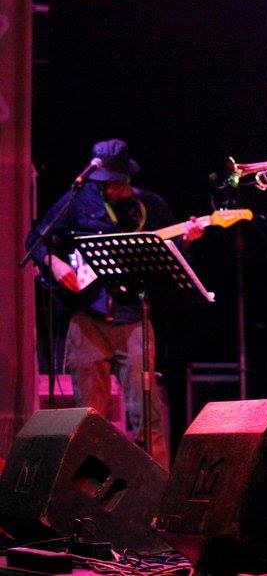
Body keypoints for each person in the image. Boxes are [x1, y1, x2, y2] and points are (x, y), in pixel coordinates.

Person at [25, 139, 202, 468]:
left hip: (133, 319)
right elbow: (36, 238)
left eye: (115, 184)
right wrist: (55, 264)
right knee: (87, 420)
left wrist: (187, 241)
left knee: (146, 417)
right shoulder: (80, 199)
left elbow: (170, 260)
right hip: (87, 318)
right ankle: (88, 487)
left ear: (127, 179)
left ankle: (154, 489)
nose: (108, 190)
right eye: (103, 183)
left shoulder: (150, 206)